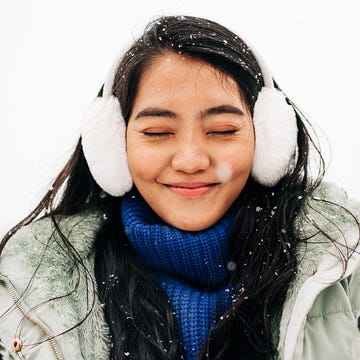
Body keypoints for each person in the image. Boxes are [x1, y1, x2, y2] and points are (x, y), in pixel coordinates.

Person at [0, 15, 359, 360]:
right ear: (113, 144)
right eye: (158, 133)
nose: (190, 161)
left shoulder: (346, 269)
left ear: (267, 138)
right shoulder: (24, 294)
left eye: (222, 130)